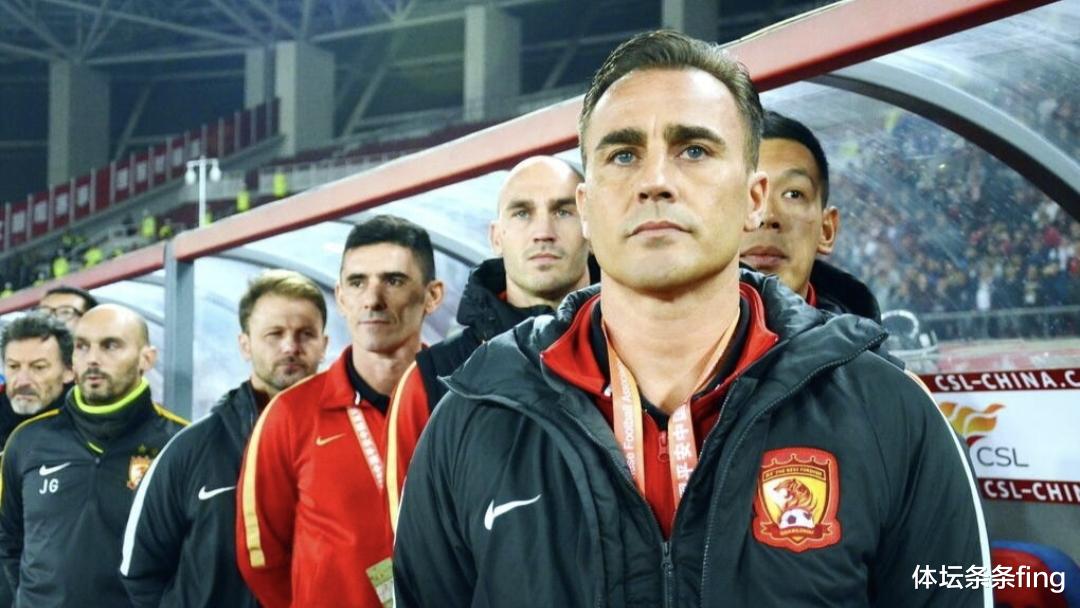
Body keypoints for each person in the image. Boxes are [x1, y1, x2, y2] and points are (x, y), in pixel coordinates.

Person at [393, 31, 989, 607]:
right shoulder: (473, 418)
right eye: (624, 154)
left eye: (694, 150)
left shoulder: (888, 409)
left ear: (753, 199)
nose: (655, 181)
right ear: (587, 209)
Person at [237, 215, 443, 608]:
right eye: (357, 282)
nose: (372, 299)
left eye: (394, 280)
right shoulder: (289, 415)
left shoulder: (460, 400)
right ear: (341, 296)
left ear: (432, 296)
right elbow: (262, 558)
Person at [385, 155, 594, 529]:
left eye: (563, 212)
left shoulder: (639, 348)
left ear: (592, 226)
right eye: (522, 213)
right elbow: (417, 538)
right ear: (497, 237)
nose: (543, 232)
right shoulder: (436, 377)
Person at [121, 270, 329, 608]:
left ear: (324, 344)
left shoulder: (352, 442)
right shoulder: (190, 450)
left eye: (306, 334)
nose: (290, 347)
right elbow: (140, 570)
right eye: (274, 334)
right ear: (245, 344)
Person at [0, 304, 187, 608]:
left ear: (147, 358)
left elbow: (197, 556)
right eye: (82, 346)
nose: (93, 359)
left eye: (110, 345)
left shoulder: (180, 443)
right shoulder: (27, 440)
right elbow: (9, 539)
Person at [740, 110, 881, 320]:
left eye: (793, 194)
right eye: (745, 192)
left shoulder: (867, 342)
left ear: (826, 230)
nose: (767, 216)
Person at [0, 315, 75, 607]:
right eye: (13, 367)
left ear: (69, 370)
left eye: (38, 367)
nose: (22, 381)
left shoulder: (88, 431)